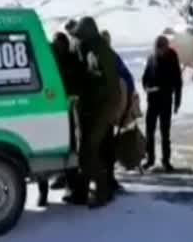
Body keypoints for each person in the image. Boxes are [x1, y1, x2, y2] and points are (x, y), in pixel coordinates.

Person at [65, 16, 122, 208]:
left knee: (88, 150)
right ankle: (80, 193)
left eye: (80, 36)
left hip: (103, 107)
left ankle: (103, 191)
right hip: (91, 105)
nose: (77, 40)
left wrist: (84, 80)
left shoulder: (101, 52)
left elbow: (106, 84)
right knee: (84, 150)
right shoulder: (88, 47)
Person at [37, 31, 85, 207]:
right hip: (57, 112)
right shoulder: (57, 59)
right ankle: (65, 187)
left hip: (58, 112)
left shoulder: (50, 59)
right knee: (67, 150)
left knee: (61, 151)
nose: (58, 49)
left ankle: (52, 191)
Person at [141, 35, 182, 172]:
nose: (159, 51)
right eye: (157, 49)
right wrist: (148, 88)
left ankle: (166, 160)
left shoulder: (172, 58)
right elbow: (145, 78)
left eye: (161, 49)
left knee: (165, 133)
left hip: (165, 100)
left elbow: (178, 81)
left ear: (166, 47)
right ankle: (150, 159)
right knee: (149, 131)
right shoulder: (151, 58)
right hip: (152, 100)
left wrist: (177, 101)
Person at [101, 30, 135, 193]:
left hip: (102, 111)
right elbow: (128, 79)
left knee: (104, 146)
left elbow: (128, 79)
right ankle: (107, 179)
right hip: (105, 110)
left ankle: (106, 179)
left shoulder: (94, 55)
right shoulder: (112, 58)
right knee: (105, 146)